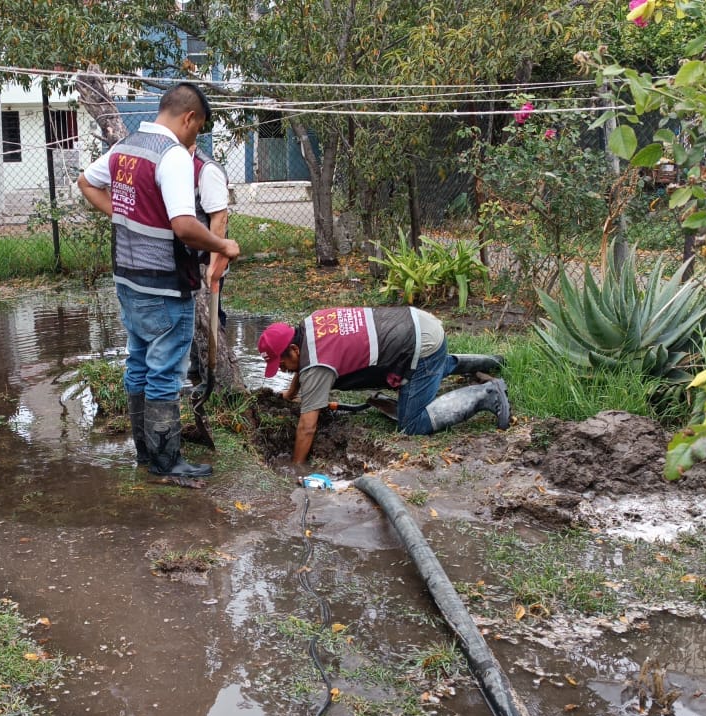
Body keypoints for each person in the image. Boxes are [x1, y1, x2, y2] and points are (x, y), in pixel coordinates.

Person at [77, 83, 240, 486]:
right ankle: (166, 463)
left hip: (128, 280)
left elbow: (86, 182)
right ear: (189, 118)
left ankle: (146, 452)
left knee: (138, 362)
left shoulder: (128, 147)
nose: (195, 139)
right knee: (165, 371)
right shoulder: (173, 157)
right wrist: (223, 244)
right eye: (198, 129)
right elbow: (185, 228)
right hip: (166, 285)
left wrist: (124, 216)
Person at [257, 307, 509, 466]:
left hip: (420, 348)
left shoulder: (316, 365)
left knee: (411, 423)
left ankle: (486, 393)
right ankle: (490, 362)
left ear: (293, 348)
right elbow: (303, 364)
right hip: (416, 322)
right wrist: (290, 394)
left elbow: (307, 427)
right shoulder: (311, 324)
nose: (282, 369)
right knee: (430, 368)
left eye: (282, 363)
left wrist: (296, 465)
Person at [187, 141, 230, 381]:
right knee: (191, 316)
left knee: (209, 316)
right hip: (185, 259)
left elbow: (219, 219)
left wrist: (213, 267)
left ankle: (213, 372)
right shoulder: (177, 163)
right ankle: (196, 368)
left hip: (205, 261)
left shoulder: (206, 170)